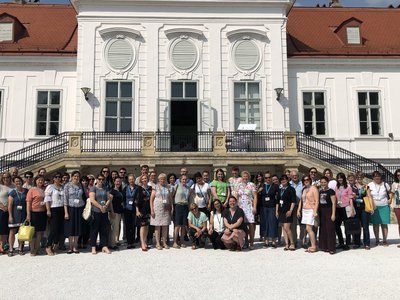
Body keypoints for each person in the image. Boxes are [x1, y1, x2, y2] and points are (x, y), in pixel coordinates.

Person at [368, 171, 392, 246]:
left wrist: (390, 199)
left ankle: (384, 240)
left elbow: (390, 192)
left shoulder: (385, 184)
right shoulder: (370, 185)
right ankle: (377, 240)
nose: (377, 177)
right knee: (375, 224)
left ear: (380, 176)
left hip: (384, 205)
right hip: (374, 206)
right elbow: (368, 195)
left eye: (378, 176)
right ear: (373, 177)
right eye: (375, 176)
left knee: (384, 224)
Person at [89, 175, 112, 254]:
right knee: (94, 229)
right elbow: (92, 199)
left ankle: (104, 246)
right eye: (99, 179)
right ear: (97, 180)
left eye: (102, 179)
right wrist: (100, 207)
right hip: (96, 211)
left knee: (104, 229)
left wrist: (105, 206)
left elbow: (109, 198)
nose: (101, 180)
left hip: (104, 211)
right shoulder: (93, 188)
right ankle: (93, 246)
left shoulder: (105, 188)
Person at [64, 171, 85, 254]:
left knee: (77, 227)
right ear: (72, 177)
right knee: (70, 227)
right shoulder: (67, 186)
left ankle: (75, 245)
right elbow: (65, 199)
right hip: (70, 208)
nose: (76, 178)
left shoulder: (81, 186)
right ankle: (70, 246)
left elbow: (83, 196)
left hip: (79, 208)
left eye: (78, 176)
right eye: (75, 176)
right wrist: (66, 212)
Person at [44, 173, 65, 256]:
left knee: (60, 229)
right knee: (54, 229)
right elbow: (47, 199)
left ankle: (55, 245)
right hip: (54, 208)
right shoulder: (50, 187)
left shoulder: (63, 187)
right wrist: (48, 210)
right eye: (56, 177)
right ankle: (48, 246)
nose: (58, 178)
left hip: (62, 208)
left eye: (59, 177)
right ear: (53, 178)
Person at [297, 175, 319, 253]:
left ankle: (314, 246)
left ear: (310, 180)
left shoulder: (314, 188)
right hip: (304, 210)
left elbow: (317, 201)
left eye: (307, 179)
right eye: (304, 180)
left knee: (309, 228)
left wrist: (315, 211)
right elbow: (301, 200)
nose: (306, 181)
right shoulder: (304, 189)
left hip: (311, 210)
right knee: (307, 229)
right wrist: (298, 210)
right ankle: (312, 245)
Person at [150, 173, 172, 250]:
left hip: (166, 208)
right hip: (157, 208)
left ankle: (164, 242)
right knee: (158, 226)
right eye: (161, 179)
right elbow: (151, 199)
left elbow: (170, 198)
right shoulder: (155, 187)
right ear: (159, 180)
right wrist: (152, 210)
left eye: (164, 179)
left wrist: (171, 207)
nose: (162, 180)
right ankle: (158, 243)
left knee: (165, 225)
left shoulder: (168, 187)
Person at [26, 176, 47, 256]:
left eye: (42, 180)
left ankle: (37, 248)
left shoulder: (44, 190)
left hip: (42, 213)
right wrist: (28, 215)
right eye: (39, 180)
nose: (40, 181)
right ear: (36, 181)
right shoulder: (32, 190)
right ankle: (32, 249)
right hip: (34, 213)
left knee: (40, 232)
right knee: (33, 232)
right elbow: (28, 203)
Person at [236, 170, 257, 250]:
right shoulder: (239, 185)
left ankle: (251, 242)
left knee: (251, 224)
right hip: (241, 207)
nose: (245, 178)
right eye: (244, 176)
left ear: (249, 177)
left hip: (249, 207)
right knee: (243, 225)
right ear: (242, 177)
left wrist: (254, 207)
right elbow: (236, 196)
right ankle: (245, 241)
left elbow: (255, 197)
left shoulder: (252, 185)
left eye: (247, 176)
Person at [7, 176, 28, 256]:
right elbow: (9, 205)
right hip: (14, 214)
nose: (18, 183)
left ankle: (20, 248)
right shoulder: (12, 192)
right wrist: (10, 216)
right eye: (16, 181)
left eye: (19, 181)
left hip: (23, 214)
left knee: (21, 232)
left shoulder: (26, 191)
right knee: (12, 232)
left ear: (22, 181)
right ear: (14, 183)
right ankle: (11, 249)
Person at [334, 172, 355, 251]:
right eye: (338, 178)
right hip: (338, 208)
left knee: (347, 226)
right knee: (337, 226)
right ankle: (341, 242)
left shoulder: (348, 187)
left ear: (343, 178)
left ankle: (348, 243)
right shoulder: (336, 187)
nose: (340, 179)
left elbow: (350, 198)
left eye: (341, 177)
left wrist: (352, 209)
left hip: (345, 208)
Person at [276, 175, 296, 251]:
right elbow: (277, 201)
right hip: (281, 211)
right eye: (281, 180)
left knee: (287, 228)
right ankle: (286, 244)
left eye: (284, 180)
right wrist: (276, 211)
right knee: (283, 228)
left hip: (288, 211)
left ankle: (292, 243)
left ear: (287, 180)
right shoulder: (280, 189)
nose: (283, 181)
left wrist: (290, 210)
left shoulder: (291, 189)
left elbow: (293, 201)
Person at [318, 176, 336, 254]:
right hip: (322, 211)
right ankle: (324, 246)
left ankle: (331, 247)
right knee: (323, 229)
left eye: (324, 182)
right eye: (322, 182)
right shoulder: (320, 191)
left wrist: (333, 214)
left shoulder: (331, 191)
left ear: (327, 182)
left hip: (329, 210)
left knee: (330, 229)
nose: (323, 184)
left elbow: (334, 203)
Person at [261, 171, 279, 248]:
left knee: (273, 223)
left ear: (271, 178)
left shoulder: (275, 186)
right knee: (265, 223)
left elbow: (278, 198)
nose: (268, 179)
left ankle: (274, 241)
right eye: (266, 178)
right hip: (264, 207)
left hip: (272, 207)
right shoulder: (262, 186)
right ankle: (266, 240)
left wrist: (277, 210)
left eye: (269, 177)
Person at [172, 175, 190, 249]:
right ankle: (175, 242)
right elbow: (171, 196)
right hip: (178, 206)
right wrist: (172, 207)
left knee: (183, 225)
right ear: (180, 180)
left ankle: (182, 241)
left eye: (185, 179)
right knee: (177, 225)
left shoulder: (188, 188)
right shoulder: (176, 186)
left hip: (185, 206)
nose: (184, 180)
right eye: (183, 179)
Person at [123, 174, 140, 249]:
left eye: (132, 179)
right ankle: (128, 242)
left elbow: (139, 198)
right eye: (130, 179)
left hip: (134, 209)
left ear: (134, 179)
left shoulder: (138, 188)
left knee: (133, 225)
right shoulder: (125, 188)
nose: (131, 181)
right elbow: (123, 198)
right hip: (127, 209)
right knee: (127, 225)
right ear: (128, 180)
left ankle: (132, 241)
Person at [354, 171, 371, 250]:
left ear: (363, 178)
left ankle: (366, 243)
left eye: (360, 177)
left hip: (364, 207)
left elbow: (369, 196)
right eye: (358, 177)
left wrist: (371, 207)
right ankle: (357, 242)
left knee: (365, 226)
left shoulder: (366, 186)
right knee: (357, 225)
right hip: (355, 207)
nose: (359, 179)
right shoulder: (353, 187)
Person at [136, 175, 152, 251]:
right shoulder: (139, 189)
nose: (144, 180)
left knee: (146, 226)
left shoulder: (150, 188)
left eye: (145, 178)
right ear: (141, 180)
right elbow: (136, 200)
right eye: (143, 179)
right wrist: (137, 210)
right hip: (142, 209)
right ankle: (142, 243)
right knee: (142, 226)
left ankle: (145, 242)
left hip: (148, 209)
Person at [289, 170, 304, 248]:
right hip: (292, 206)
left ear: (298, 176)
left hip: (302, 206)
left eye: (296, 175)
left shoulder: (303, 184)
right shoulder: (288, 184)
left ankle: (302, 241)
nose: (295, 177)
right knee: (293, 225)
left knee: (303, 225)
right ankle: (293, 242)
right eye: (293, 175)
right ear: (291, 176)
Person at [108, 177, 124, 250]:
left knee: (116, 228)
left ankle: (112, 242)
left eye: (119, 181)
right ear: (114, 182)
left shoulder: (119, 191)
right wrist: (112, 211)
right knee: (114, 228)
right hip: (114, 212)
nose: (118, 183)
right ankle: (112, 244)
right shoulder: (112, 191)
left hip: (119, 212)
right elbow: (110, 202)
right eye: (117, 181)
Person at [0, 172, 11, 254]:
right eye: (4, 177)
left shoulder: (13, 186)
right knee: (1, 229)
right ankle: (1, 246)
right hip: (2, 210)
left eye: (7, 177)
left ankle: (4, 245)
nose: (6, 179)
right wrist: (2, 206)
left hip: (11, 211)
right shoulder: (0, 187)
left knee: (7, 230)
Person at [391, 169, 400, 248]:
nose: (399, 176)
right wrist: (391, 204)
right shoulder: (394, 184)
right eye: (398, 175)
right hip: (397, 205)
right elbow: (392, 194)